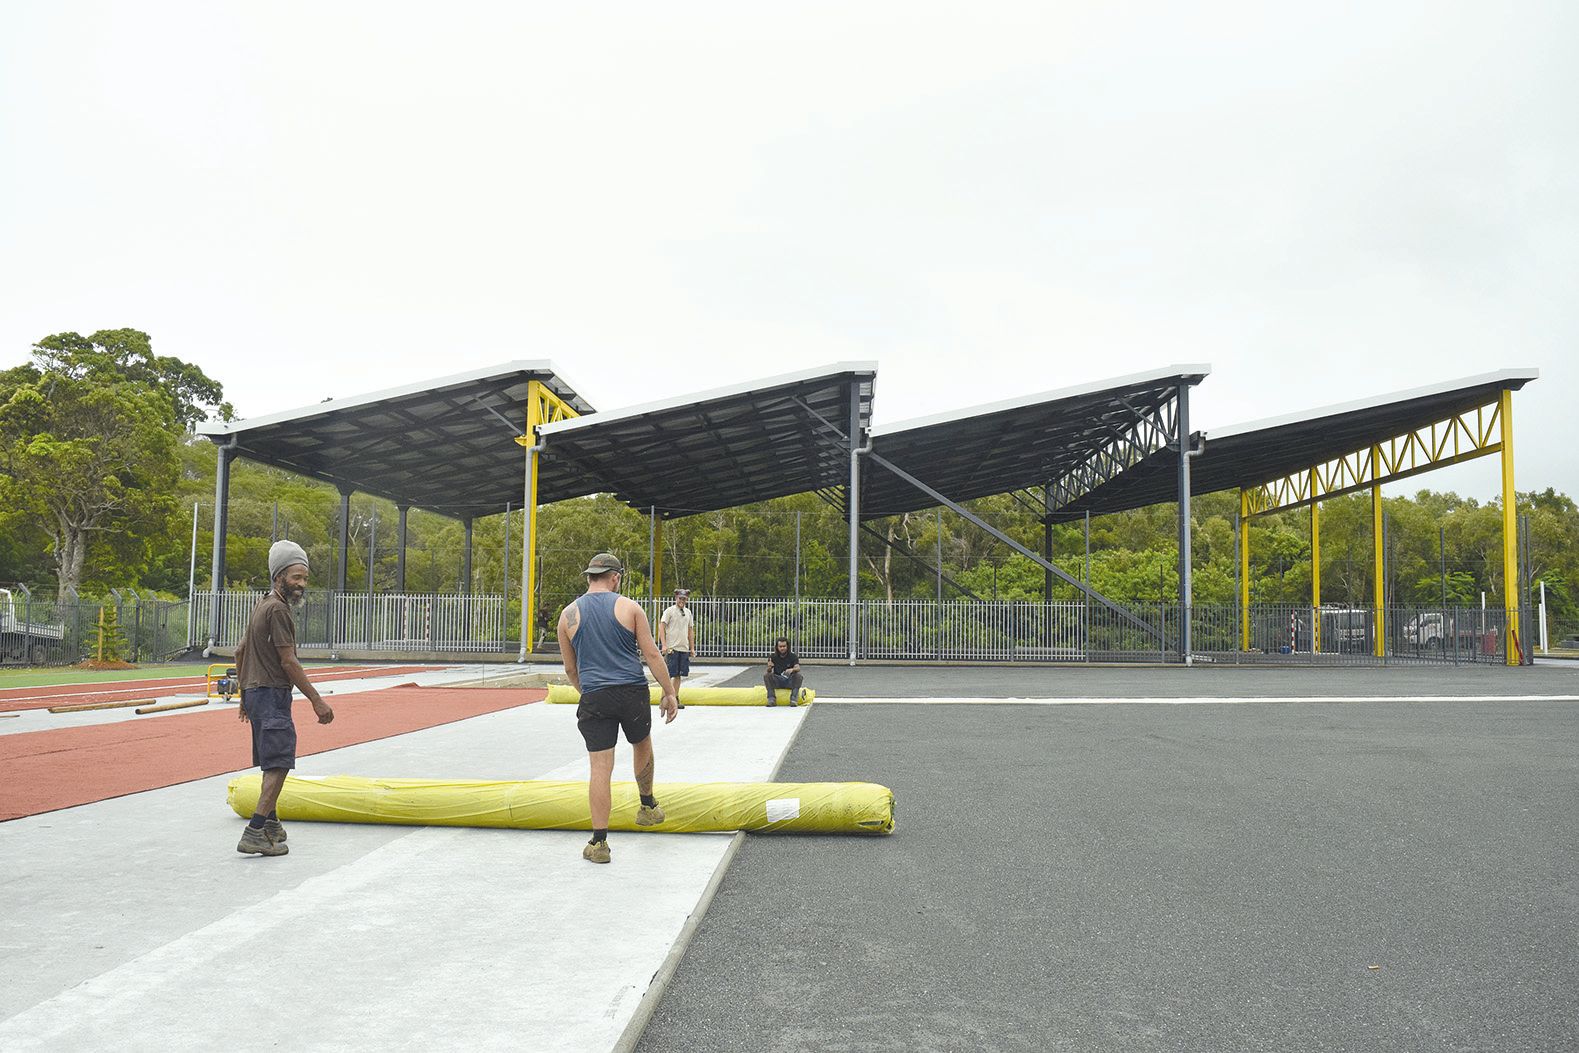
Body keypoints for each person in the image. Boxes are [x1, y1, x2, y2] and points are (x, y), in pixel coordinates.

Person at [557, 552, 679, 864]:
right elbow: (652, 654)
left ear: (589, 577)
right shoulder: (629, 607)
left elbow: (570, 669)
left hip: (595, 695)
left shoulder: (567, 615)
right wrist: (669, 693)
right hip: (631, 692)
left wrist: (589, 693)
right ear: (615, 577)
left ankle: (599, 843)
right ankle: (647, 806)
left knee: (600, 767)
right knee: (642, 743)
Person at [233, 540, 334, 857]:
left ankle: (272, 824)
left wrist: (244, 695)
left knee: (271, 760)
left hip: (255, 693)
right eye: (296, 577)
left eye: (305, 578)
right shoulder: (278, 610)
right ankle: (254, 831)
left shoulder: (262, 604)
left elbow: (240, 651)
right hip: (271, 694)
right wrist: (317, 700)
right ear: (279, 577)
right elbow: (289, 661)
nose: (302, 584)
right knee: (278, 763)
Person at [657, 588, 694, 704]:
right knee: (668, 675)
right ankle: (664, 698)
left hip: (683, 648)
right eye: (680, 598)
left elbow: (690, 630)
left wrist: (692, 648)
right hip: (672, 648)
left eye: (684, 599)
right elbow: (662, 626)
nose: (682, 601)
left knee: (678, 675)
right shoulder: (669, 611)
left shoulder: (688, 612)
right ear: (676, 598)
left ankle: (675, 698)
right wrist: (664, 645)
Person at [764, 636, 804, 706]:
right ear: (777, 647)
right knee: (767, 675)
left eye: (784, 646)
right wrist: (769, 667)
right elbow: (769, 672)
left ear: (787, 646)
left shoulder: (793, 656)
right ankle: (771, 699)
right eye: (780, 646)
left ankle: (793, 699)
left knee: (798, 676)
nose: (782, 648)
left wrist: (792, 669)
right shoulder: (772, 657)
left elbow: (798, 668)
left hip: (789, 681)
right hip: (777, 680)